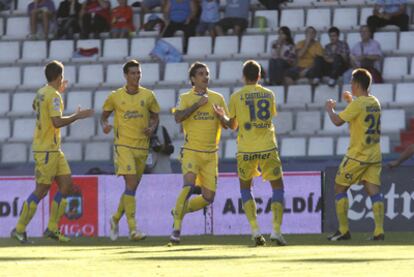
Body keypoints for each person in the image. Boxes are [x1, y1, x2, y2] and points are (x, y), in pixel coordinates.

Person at [11, 60, 94, 243]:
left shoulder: (42, 92)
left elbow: (36, 107)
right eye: (62, 76)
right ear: (59, 77)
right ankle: (19, 229)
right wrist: (77, 116)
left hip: (53, 149)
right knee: (41, 190)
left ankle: (52, 228)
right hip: (46, 149)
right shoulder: (54, 96)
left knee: (66, 186)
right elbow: (56, 122)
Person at [214, 60, 287, 246]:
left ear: (243, 76)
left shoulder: (237, 96)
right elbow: (268, 117)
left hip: (246, 149)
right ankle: (276, 231)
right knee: (278, 188)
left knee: (246, 188)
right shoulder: (269, 94)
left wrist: (221, 115)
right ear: (260, 76)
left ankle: (255, 231)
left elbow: (232, 125)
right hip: (268, 147)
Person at [169, 62, 229, 244]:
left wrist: (222, 117)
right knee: (188, 186)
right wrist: (197, 105)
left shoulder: (217, 98)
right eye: (201, 74)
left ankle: (179, 209)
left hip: (211, 155)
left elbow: (227, 124)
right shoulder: (186, 97)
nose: (206, 77)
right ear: (193, 79)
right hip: (191, 151)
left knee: (208, 197)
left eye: (207, 73)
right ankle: (176, 230)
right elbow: (178, 117)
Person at [101, 60, 160, 241]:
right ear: (126, 75)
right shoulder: (115, 96)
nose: (136, 76)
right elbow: (103, 116)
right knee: (131, 183)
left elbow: (155, 116)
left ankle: (115, 218)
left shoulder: (149, 95)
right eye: (133, 73)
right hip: (123, 146)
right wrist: (105, 125)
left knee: (131, 188)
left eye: (138, 73)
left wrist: (152, 127)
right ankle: (133, 229)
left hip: (142, 147)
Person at [325, 68, 384, 241]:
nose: (350, 84)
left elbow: (337, 121)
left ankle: (344, 231)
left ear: (357, 84)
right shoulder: (375, 102)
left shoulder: (359, 104)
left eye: (352, 82)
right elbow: (359, 118)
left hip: (357, 155)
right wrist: (351, 100)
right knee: (373, 190)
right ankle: (379, 231)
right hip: (374, 155)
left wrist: (330, 109)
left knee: (339, 187)